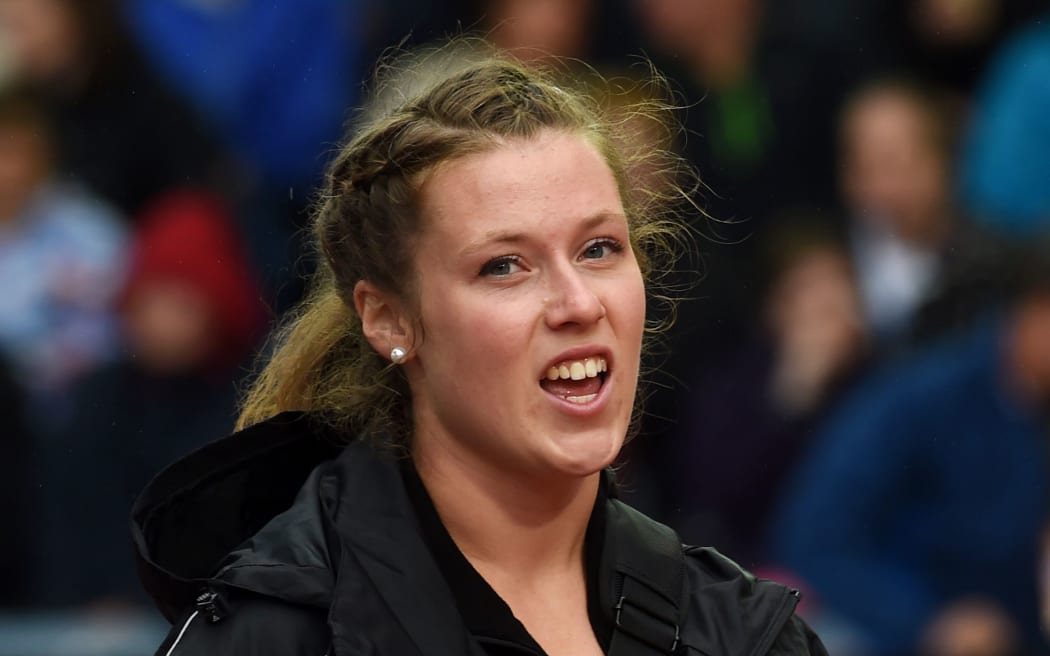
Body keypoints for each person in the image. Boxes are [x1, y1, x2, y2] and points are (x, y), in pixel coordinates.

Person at [132, 55, 826, 655]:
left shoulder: (739, 633)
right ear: (388, 317)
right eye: (505, 266)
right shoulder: (279, 631)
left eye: (599, 249)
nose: (579, 303)